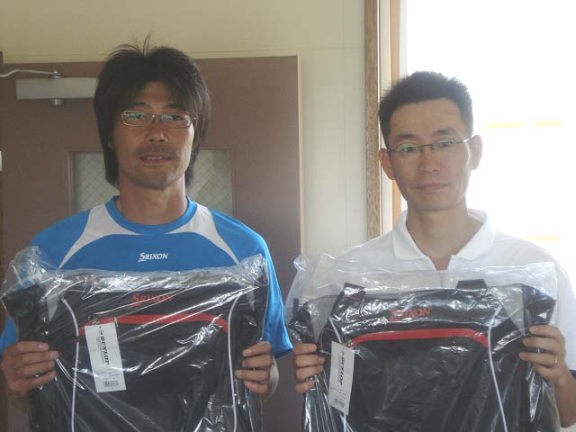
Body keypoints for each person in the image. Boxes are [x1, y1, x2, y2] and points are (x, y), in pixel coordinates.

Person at [0, 42, 291, 404]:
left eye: (175, 116)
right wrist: (19, 379)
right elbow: (26, 392)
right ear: (109, 134)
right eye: (136, 116)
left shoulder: (245, 252)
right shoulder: (52, 253)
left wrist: (265, 376)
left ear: (196, 134)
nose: (156, 132)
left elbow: (265, 374)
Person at [292, 71, 576, 427]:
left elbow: (568, 414)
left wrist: (558, 375)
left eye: (445, 143)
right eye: (409, 148)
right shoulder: (348, 278)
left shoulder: (533, 271)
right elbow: (337, 404)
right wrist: (316, 377)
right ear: (387, 163)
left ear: (474, 151)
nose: (429, 164)